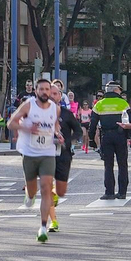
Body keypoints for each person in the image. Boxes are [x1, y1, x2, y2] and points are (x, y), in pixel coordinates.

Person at [6, 79, 63, 243]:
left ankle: (43, 227)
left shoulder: (55, 108)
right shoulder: (28, 105)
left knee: (46, 188)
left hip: (47, 153)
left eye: (47, 89)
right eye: (42, 89)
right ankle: (29, 195)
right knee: (32, 192)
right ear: (36, 91)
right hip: (30, 153)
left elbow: (55, 125)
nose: (45, 92)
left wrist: (58, 134)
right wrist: (27, 128)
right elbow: (11, 123)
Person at [48, 84, 84, 233]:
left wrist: (69, 142)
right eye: (49, 93)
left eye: (55, 94)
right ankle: (53, 221)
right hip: (46, 155)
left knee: (60, 188)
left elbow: (78, 131)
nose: (51, 96)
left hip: (63, 154)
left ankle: (56, 194)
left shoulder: (67, 114)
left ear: (59, 96)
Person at [93, 82, 131, 199]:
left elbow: (93, 124)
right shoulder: (123, 103)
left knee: (108, 165)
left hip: (106, 136)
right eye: (119, 90)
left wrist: (92, 140)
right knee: (122, 165)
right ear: (116, 90)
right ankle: (122, 192)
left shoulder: (99, 104)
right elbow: (130, 122)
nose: (120, 92)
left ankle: (109, 192)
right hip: (120, 136)